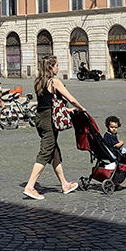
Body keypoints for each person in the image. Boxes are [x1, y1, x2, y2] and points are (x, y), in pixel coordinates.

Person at [23, 54, 84, 200]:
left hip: (41, 118)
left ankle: (64, 184)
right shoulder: (54, 81)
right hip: (49, 120)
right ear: (51, 66)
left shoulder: (39, 81)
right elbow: (70, 98)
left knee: (54, 151)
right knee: (45, 152)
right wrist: (81, 108)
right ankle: (30, 186)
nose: (58, 67)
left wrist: (66, 110)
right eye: (57, 65)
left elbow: (47, 102)